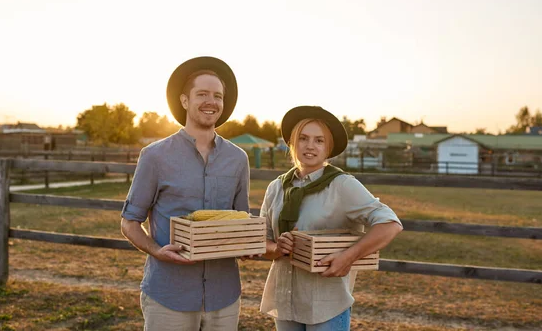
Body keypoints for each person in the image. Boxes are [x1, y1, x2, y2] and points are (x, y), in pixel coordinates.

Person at [120, 56, 250, 331]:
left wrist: (248, 245)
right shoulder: (154, 156)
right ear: (184, 101)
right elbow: (129, 222)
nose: (210, 101)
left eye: (217, 96)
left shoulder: (238, 159)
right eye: (202, 94)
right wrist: (157, 251)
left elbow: (241, 220)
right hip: (169, 295)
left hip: (224, 297)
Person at [260, 106, 403, 331]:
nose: (310, 146)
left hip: (325, 304)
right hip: (284, 299)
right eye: (303, 138)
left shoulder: (342, 185)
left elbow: (390, 224)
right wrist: (277, 248)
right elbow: (263, 241)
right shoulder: (276, 188)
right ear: (292, 143)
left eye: (319, 140)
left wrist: (348, 257)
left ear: (328, 147)